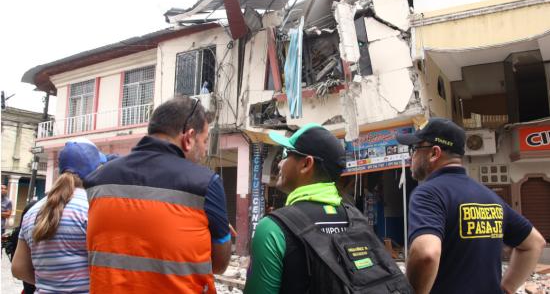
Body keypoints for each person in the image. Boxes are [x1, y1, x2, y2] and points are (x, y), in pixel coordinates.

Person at [84, 96, 231, 293]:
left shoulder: (98, 180)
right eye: (204, 141)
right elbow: (220, 264)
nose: (205, 151)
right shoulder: (205, 184)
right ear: (188, 138)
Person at [245, 123, 411, 294]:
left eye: (286, 154)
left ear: (306, 164)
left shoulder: (273, 228)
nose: (279, 163)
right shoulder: (356, 217)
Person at [397, 117, 546, 294]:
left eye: (414, 149)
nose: (411, 157)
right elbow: (535, 243)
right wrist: (507, 287)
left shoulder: (428, 193)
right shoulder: (489, 196)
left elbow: (426, 254)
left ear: (433, 153)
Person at [11, 139, 103, 293]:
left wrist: (51, 283)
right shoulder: (92, 208)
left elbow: (18, 268)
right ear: (95, 170)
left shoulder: (33, 211)